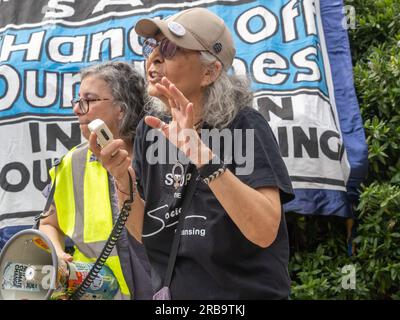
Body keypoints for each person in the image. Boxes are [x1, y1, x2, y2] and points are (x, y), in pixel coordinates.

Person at [90, 8, 295, 299]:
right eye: (152, 47)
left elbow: (263, 230)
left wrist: (202, 156)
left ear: (209, 72)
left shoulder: (244, 125)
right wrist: (122, 180)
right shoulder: (151, 131)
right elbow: (143, 232)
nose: (154, 57)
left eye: (170, 48)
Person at [39, 61, 153, 300]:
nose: (77, 110)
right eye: (78, 101)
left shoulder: (160, 156)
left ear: (122, 108)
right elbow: (49, 223)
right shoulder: (71, 163)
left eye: (88, 100)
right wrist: (57, 254)